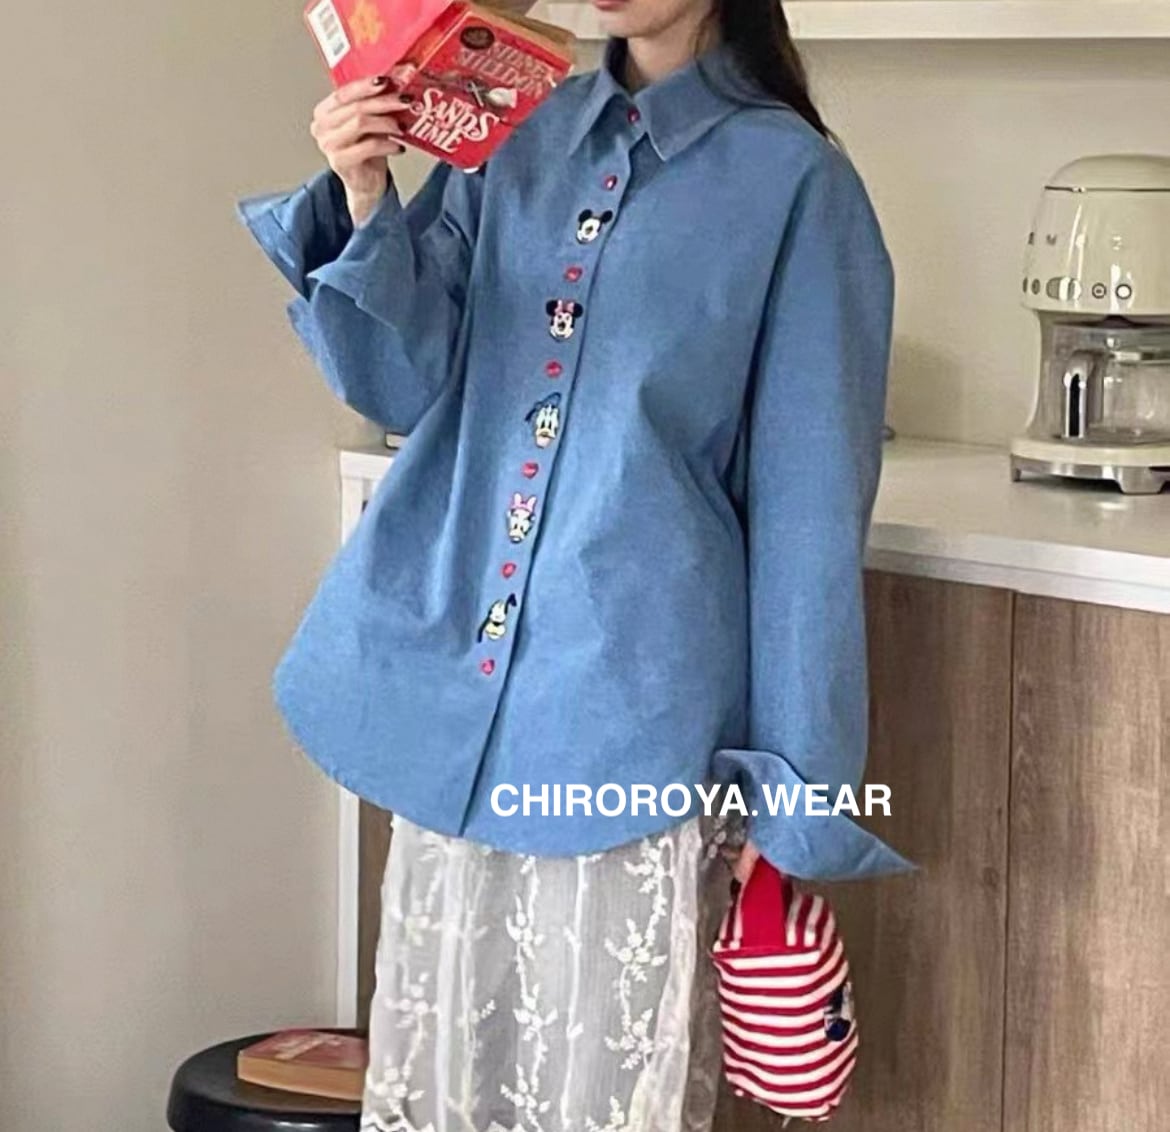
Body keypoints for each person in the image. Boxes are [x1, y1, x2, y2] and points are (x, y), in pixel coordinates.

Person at [238, 0, 912, 1124]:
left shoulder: (797, 185)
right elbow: (401, 383)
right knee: (450, 1077)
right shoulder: (518, 133)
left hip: (633, 712)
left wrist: (790, 801)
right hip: (459, 700)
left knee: (603, 1087)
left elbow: (809, 515)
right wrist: (365, 196)